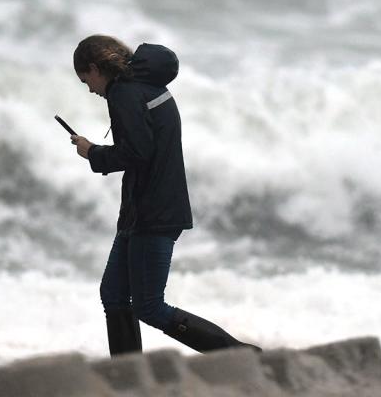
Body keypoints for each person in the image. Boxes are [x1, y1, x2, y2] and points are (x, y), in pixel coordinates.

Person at [70, 34, 260, 357]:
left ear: (95, 67)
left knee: (149, 306)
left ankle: (239, 354)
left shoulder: (124, 92)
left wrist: (93, 153)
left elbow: (138, 152)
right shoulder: (145, 85)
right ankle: (128, 374)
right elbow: (146, 149)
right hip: (146, 209)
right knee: (114, 293)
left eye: (86, 80)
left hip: (152, 211)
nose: (89, 89)